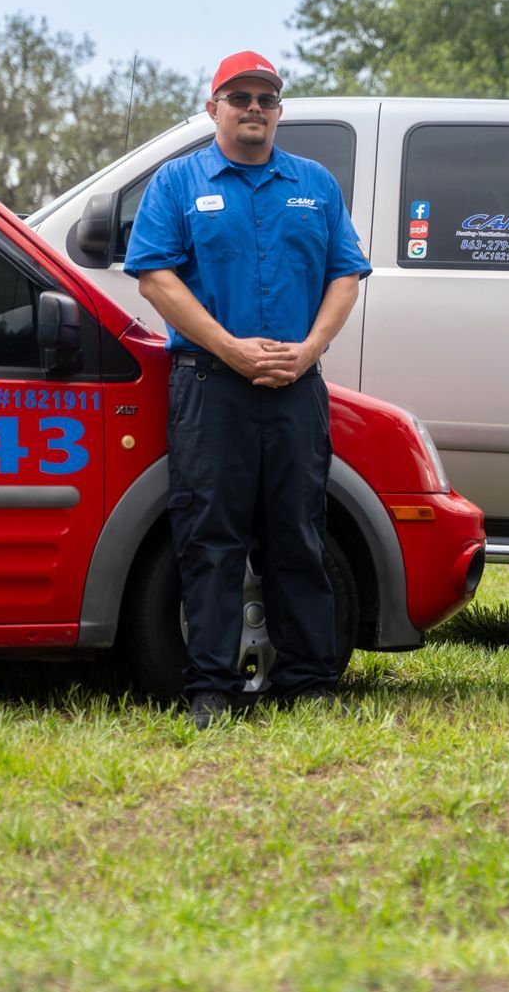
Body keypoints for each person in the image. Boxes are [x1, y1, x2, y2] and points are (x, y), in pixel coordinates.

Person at [124, 51, 370, 728]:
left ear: (279, 111)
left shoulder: (314, 184)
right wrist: (229, 348)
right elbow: (155, 278)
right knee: (210, 536)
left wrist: (310, 350)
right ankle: (210, 686)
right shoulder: (177, 183)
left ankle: (310, 682)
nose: (254, 108)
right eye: (240, 98)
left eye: (266, 98)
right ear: (214, 109)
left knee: (299, 531)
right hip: (210, 388)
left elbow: (345, 274)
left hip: (296, 389)